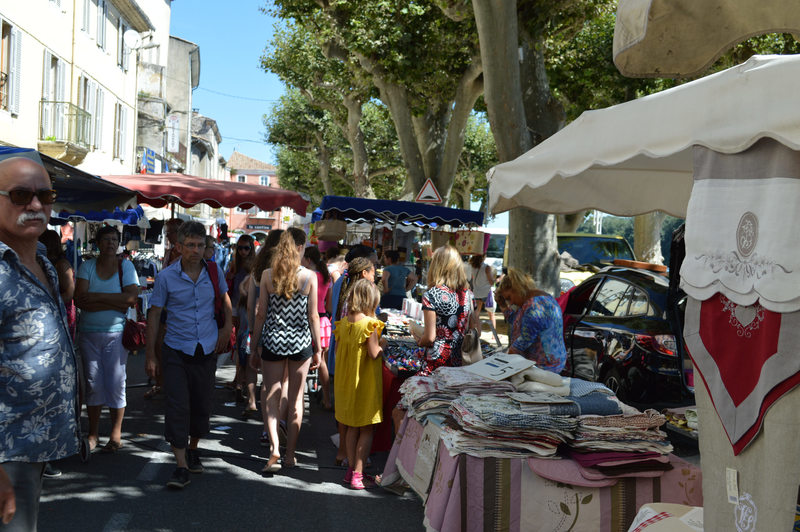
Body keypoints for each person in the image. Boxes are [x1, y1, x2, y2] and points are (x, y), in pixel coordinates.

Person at [0, 154, 80, 530]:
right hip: (8, 448)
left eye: (45, 196)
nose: (35, 205)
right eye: (20, 195)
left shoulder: (43, 262)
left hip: (36, 445)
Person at [145, 221, 232, 489]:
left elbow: (226, 303)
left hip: (205, 349)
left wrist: (227, 329)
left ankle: (193, 448)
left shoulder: (215, 273)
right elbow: (155, 314)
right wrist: (150, 355)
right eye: (190, 245)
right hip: (176, 350)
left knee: (201, 404)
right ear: (179, 247)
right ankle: (180, 464)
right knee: (177, 405)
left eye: (200, 245)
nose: (195, 250)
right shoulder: (166, 277)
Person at [250, 228, 321, 473]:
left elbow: (261, 314)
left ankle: (274, 448)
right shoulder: (310, 276)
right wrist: (318, 348)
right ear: (299, 249)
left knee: (271, 397)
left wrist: (253, 345)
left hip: (273, 342)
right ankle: (290, 454)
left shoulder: (268, 275)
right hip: (301, 344)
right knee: (296, 400)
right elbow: (313, 316)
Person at [74, 225, 139, 453]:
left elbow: (131, 298)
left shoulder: (126, 266)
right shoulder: (87, 266)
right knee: (93, 384)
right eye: (106, 239)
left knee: (115, 383)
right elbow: (80, 300)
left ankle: (115, 432)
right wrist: (116, 300)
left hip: (117, 334)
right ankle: (92, 433)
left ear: (118, 243)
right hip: (89, 333)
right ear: (98, 243)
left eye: (114, 239)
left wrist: (97, 297)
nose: (110, 243)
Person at [333, 279, 387, 490]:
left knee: (351, 428)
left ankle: (350, 470)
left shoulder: (344, 323)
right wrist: (383, 344)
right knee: (367, 428)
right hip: (364, 385)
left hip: (346, 383)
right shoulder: (370, 325)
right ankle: (358, 473)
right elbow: (374, 354)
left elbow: (338, 352)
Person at [329, 254, 377, 466]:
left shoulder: (345, 318)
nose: (375, 276)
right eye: (373, 272)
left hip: (346, 371)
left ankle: (347, 460)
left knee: (348, 420)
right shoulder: (368, 322)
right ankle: (357, 467)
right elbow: (373, 351)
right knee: (362, 425)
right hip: (361, 376)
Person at [413, 245, 478, 376]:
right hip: (461, 358)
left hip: (437, 361)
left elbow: (430, 338)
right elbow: (476, 329)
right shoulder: (469, 295)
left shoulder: (432, 295)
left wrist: (420, 341)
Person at [246, 229, 286, 443]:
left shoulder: (259, 269)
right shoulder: (286, 270)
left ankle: (266, 427)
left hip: (264, 331)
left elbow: (252, 305)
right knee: (284, 382)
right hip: (286, 331)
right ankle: (280, 422)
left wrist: (253, 332)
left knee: (267, 382)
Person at [495, 267, 567, 374]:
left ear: (517, 288)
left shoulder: (535, 306)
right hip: (549, 362)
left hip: (544, 367)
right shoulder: (539, 299)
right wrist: (503, 305)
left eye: (509, 298)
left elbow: (523, 341)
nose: (511, 303)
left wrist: (500, 364)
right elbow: (517, 322)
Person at [145, 217, 185, 400]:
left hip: (177, 308)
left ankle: (174, 384)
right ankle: (160, 383)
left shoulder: (185, 255)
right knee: (159, 345)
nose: (167, 235)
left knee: (174, 348)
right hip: (164, 306)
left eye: (170, 232)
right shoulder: (169, 253)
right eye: (167, 232)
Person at [302, 245, 333, 409]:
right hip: (323, 322)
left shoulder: (307, 276)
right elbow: (329, 305)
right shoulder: (327, 277)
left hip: (308, 321)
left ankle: (298, 399)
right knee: (322, 363)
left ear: (308, 259)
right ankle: (327, 399)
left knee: (303, 361)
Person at [226, 234, 255, 399]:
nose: (243, 251)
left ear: (251, 249)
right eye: (240, 248)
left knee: (244, 344)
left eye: (246, 248)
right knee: (239, 343)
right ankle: (239, 378)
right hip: (235, 305)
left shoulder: (254, 266)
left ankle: (240, 380)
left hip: (246, 307)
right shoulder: (234, 264)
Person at [467, 254, 497, 331]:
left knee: (476, 314)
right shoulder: (486, 267)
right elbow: (491, 282)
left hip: (477, 293)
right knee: (491, 315)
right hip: (487, 294)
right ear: (483, 257)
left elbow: (470, 279)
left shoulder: (472, 267)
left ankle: (477, 332)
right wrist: (496, 280)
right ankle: (494, 335)